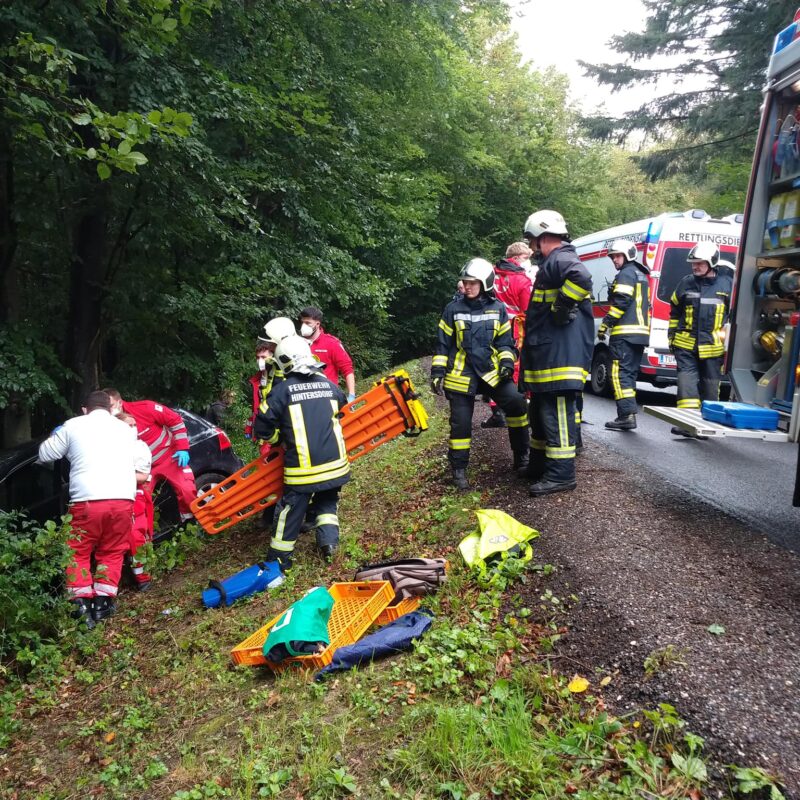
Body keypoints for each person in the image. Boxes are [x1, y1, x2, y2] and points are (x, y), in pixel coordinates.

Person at [37, 390, 139, 626]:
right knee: (112, 551)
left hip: (87, 501)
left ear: (85, 409)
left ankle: (81, 607)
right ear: (111, 409)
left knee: (77, 551)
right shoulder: (126, 429)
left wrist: (58, 434)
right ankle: (103, 605)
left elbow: (44, 455)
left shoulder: (73, 426)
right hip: (123, 499)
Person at [430, 258, 530, 490]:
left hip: (490, 372)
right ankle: (458, 469)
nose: (467, 286)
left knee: (517, 404)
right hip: (461, 374)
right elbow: (442, 344)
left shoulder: (498, 309)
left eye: (473, 283)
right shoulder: (452, 310)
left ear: (485, 283)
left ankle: (521, 455)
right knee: (461, 424)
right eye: (465, 282)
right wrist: (437, 371)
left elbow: (506, 342)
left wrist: (506, 362)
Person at [253, 335, 350, 568]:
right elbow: (342, 410)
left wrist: (280, 441)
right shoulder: (329, 385)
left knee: (290, 512)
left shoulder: (282, 391)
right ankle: (329, 544)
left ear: (284, 361)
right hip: (336, 466)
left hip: (303, 472)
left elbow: (262, 426)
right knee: (327, 502)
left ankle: (279, 560)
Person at [521, 210, 594, 496]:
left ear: (541, 237)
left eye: (531, 240)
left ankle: (562, 473)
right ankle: (539, 464)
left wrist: (561, 307)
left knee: (557, 412)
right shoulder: (553, 261)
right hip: (548, 354)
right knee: (540, 411)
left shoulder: (561, 259)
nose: (530, 246)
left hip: (559, 356)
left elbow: (581, 277)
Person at [668, 242, 733, 438]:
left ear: (712, 263)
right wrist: (671, 335)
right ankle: (687, 424)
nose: (695, 267)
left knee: (711, 388)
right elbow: (675, 310)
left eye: (700, 263)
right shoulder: (686, 282)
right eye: (693, 263)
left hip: (713, 348)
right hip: (685, 345)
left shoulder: (727, 285)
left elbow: (735, 315)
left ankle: (706, 426)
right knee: (686, 384)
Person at [103, 388, 196, 524]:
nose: (108, 411)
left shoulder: (145, 408)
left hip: (168, 458)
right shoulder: (105, 424)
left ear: (120, 402)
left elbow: (175, 421)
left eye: (110, 406)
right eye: (105, 408)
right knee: (139, 502)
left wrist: (182, 448)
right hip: (141, 470)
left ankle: (190, 525)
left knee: (186, 491)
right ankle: (144, 538)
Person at [598, 239, 652, 431]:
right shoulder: (641, 274)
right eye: (612, 257)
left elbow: (621, 302)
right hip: (639, 334)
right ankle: (627, 414)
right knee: (628, 375)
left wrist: (606, 323)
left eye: (617, 256)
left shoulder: (626, 274)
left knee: (619, 374)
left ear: (628, 255)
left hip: (625, 333)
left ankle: (626, 416)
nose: (614, 260)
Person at [481, 242, 534, 429]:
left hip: (490, 327)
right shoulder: (522, 280)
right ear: (517, 257)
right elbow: (528, 311)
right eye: (527, 257)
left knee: (493, 365)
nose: (529, 261)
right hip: (515, 330)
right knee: (514, 367)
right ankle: (514, 409)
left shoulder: (492, 276)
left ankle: (496, 410)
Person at [118, 412, 155, 591]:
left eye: (134, 424)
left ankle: (143, 578)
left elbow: (142, 476)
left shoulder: (139, 447)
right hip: (115, 497)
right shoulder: (109, 446)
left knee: (136, 537)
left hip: (135, 496)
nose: (134, 428)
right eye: (129, 425)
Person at [244, 317, 295, 443]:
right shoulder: (264, 374)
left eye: (263, 357)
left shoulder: (287, 372)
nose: (260, 360)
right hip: (268, 427)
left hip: (280, 428)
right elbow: (258, 402)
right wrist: (250, 426)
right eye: (258, 357)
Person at [299, 306, 356, 401]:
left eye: (308, 323)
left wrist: (351, 395)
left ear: (317, 324)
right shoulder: (297, 344)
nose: (303, 326)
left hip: (329, 396)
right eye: (302, 322)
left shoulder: (332, 343)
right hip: (306, 397)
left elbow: (347, 370)